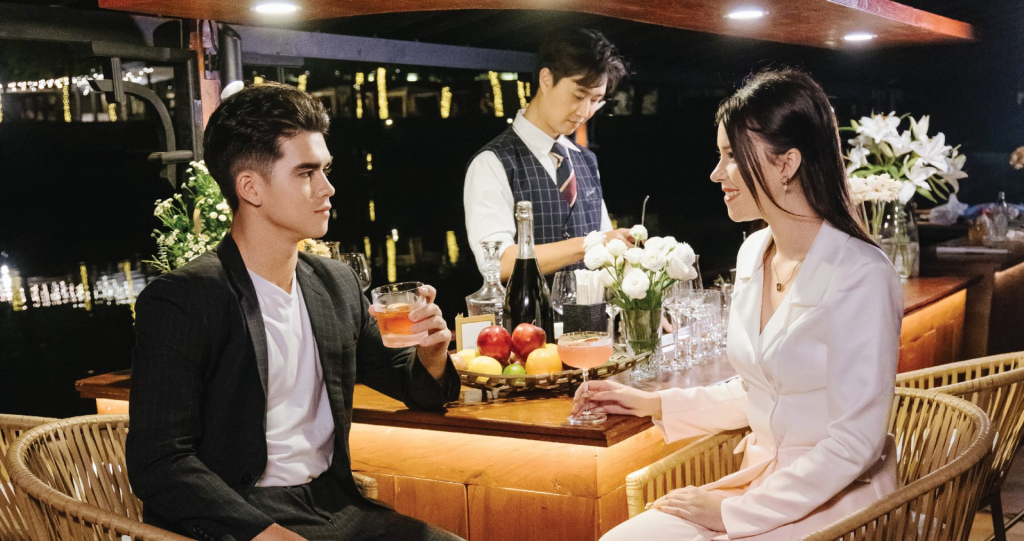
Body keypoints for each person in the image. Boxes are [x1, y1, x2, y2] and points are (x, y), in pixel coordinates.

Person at [127, 82, 463, 541]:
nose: (328, 187)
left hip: (335, 503)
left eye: (325, 169)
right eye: (306, 172)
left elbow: (412, 386)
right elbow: (159, 461)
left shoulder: (336, 283)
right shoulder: (184, 299)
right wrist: (262, 532)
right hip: (240, 516)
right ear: (250, 187)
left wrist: (432, 353)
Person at [578, 69, 903, 540]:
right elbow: (761, 393)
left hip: (840, 501)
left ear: (787, 163)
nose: (716, 173)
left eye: (731, 156)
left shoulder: (863, 274)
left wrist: (733, 513)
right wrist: (652, 404)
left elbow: (855, 443)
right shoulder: (753, 252)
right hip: (760, 484)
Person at [464, 28, 634, 280]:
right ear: (546, 80)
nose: (584, 111)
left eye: (595, 100)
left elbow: (607, 252)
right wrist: (589, 244)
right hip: (529, 308)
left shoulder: (586, 160)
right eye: (578, 95)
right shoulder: (492, 162)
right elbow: (498, 264)